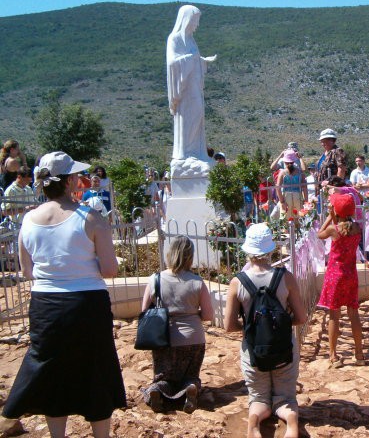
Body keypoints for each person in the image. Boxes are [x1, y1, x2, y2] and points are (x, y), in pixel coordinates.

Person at [2, 151, 126, 438]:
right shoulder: (91, 217)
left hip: (45, 305)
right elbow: (109, 269)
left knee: (52, 370)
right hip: (87, 304)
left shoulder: (29, 220)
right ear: (70, 181)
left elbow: (27, 271)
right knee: (94, 368)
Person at [224, 223, 307, 438]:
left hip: (253, 351)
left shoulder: (237, 282)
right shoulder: (285, 278)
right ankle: (290, 420)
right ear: (270, 250)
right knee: (286, 398)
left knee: (259, 397)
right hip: (284, 348)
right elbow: (301, 318)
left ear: (248, 250)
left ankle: (255, 420)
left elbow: (229, 326)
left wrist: (251, 327)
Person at [141, 236, 214, 413]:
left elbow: (144, 311)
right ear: (190, 256)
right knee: (190, 374)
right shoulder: (197, 282)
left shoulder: (155, 279)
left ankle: (157, 390)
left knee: (164, 376)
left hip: (164, 337)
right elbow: (208, 315)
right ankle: (191, 387)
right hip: (193, 337)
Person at [317, 194, 365, 367]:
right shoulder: (357, 228)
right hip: (351, 275)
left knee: (334, 315)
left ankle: (333, 355)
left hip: (335, 276)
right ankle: (359, 354)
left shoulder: (334, 229)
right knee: (354, 315)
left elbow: (319, 234)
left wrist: (330, 217)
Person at [167, 5, 216, 161]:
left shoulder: (191, 40)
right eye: (195, 20)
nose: (197, 24)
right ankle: (187, 152)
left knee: (198, 115)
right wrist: (192, 58)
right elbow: (172, 63)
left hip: (194, 86)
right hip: (185, 89)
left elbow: (193, 58)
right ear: (186, 19)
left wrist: (202, 61)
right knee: (190, 116)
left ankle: (196, 152)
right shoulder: (174, 39)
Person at [275, 150, 307, 218]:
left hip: (286, 197)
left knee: (286, 218)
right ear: (294, 160)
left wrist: (282, 201)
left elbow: (278, 188)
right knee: (300, 217)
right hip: (298, 196)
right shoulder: (299, 172)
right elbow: (304, 187)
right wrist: (306, 201)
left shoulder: (282, 173)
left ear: (285, 161)